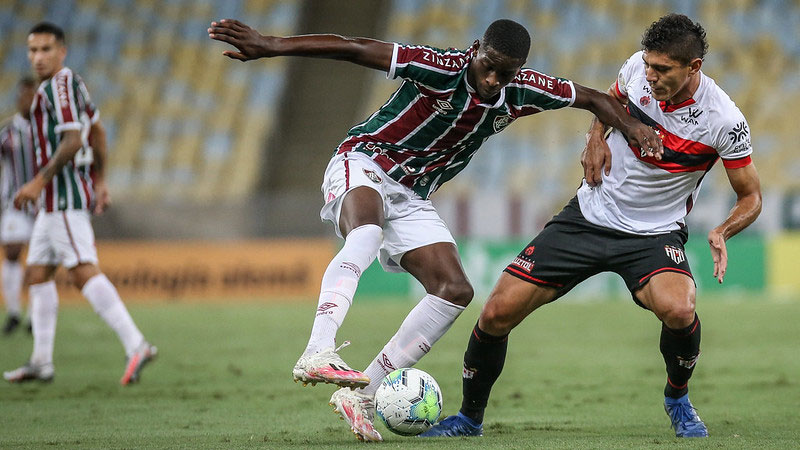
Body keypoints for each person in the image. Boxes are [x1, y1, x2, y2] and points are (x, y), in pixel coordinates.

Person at [208, 18, 662, 441]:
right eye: (487, 68)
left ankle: (361, 395)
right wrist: (270, 46)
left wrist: (631, 127)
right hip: (364, 163)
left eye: (504, 75)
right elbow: (355, 48)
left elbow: (594, 99)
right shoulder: (439, 67)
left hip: (412, 193)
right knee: (364, 233)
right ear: (475, 51)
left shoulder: (523, 90)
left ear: (518, 71)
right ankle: (318, 351)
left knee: (454, 290)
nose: (492, 81)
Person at [420, 14, 761, 439]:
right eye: (649, 65)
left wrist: (722, 230)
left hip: (653, 234)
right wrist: (595, 138)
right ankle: (469, 419)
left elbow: (751, 196)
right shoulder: (637, 66)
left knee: (679, 309)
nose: (650, 75)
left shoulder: (724, 120)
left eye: (663, 70)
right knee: (495, 313)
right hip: (588, 216)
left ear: (694, 67)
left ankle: (678, 397)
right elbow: (608, 103)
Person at [3, 22, 157, 385]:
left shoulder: (59, 85)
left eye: (45, 49)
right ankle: (41, 360)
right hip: (56, 201)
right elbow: (98, 131)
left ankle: (137, 344)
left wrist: (38, 182)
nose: (38, 57)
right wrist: (101, 180)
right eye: (32, 50)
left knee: (82, 270)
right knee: (36, 273)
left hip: (62, 198)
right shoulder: (69, 85)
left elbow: (73, 140)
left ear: (62, 51)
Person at [0, 77, 37, 335]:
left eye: (31, 96)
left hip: (45, 205)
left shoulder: (49, 130)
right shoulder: (7, 132)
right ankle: (13, 311)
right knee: (12, 252)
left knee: (39, 260)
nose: (27, 100)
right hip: (15, 202)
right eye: (23, 96)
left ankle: (35, 317)